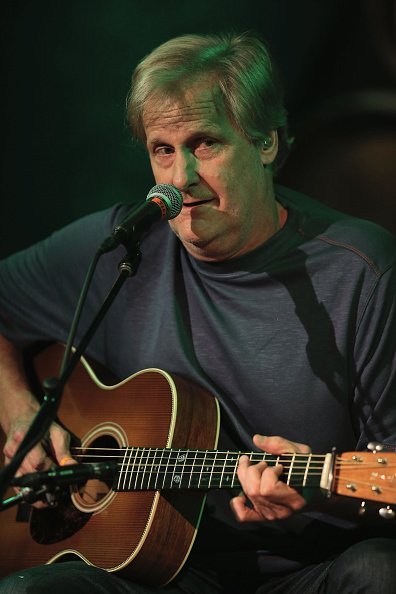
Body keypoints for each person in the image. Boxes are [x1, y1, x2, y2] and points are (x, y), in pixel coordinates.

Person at [0, 31, 395, 593]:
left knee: (382, 571)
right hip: (159, 570)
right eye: (163, 150)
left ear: (267, 143)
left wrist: (319, 487)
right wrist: (20, 414)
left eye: (204, 144)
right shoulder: (122, 251)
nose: (181, 179)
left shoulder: (363, 271)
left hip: (312, 571)